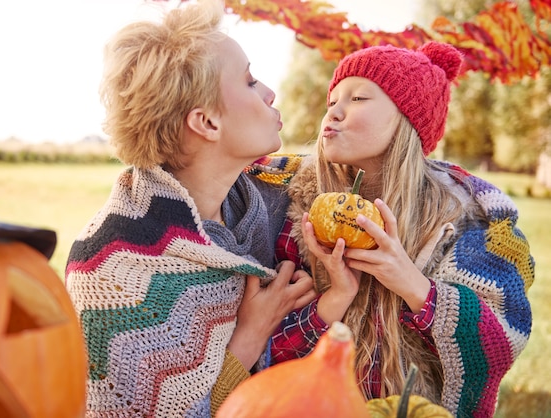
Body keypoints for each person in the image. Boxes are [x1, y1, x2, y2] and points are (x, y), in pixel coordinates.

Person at [64, 1, 316, 416]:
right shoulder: (110, 272)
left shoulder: (268, 200)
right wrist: (250, 334)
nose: (270, 92)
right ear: (207, 123)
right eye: (250, 81)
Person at [271, 41, 535, 417]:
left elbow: (500, 340)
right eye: (332, 102)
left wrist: (414, 285)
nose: (334, 113)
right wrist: (336, 297)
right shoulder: (302, 210)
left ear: (409, 117)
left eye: (358, 98)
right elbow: (271, 349)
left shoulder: (460, 219)